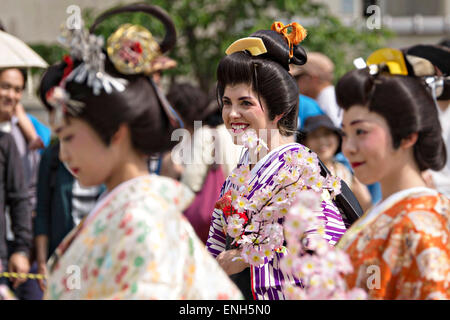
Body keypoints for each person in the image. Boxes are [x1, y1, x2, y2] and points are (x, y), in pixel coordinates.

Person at [38, 3, 242, 299]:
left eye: (68, 137)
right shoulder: (129, 210)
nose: (64, 154)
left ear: (116, 132)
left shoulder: (142, 219)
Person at [206, 22, 347, 300]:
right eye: (227, 102)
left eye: (246, 103)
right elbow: (216, 246)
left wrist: (245, 258)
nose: (232, 114)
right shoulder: (242, 169)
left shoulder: (297, 170)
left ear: (279, 110)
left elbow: (321, 251)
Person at [335, 63, 449, 299]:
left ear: (407, 136)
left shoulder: (421, 223)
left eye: (361, 132)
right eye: (345, 134)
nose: (348, 148)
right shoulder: (393, 213)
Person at [163, 83, 242, 243]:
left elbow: (192, 182)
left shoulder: (205, 135)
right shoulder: (235, 133)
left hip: (209, 223)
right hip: (234, 218)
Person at [34, 139, 105, 292]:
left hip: (101, 259)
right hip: (65, 259)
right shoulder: (52, 158)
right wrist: (42, 263)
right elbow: (42, 212)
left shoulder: (107, 156)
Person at [299, 114, 372, 212]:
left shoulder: (347, 174)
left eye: (327, 134)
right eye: (314, 136)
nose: (322, 141)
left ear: (338, 139)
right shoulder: (299, 176)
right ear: (305, 142)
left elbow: (367, 209)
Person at [290, 52, 342, 127]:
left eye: (298, 78)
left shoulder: (327, 98)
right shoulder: (330, 95)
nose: (295, 82)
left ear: (313, 78)